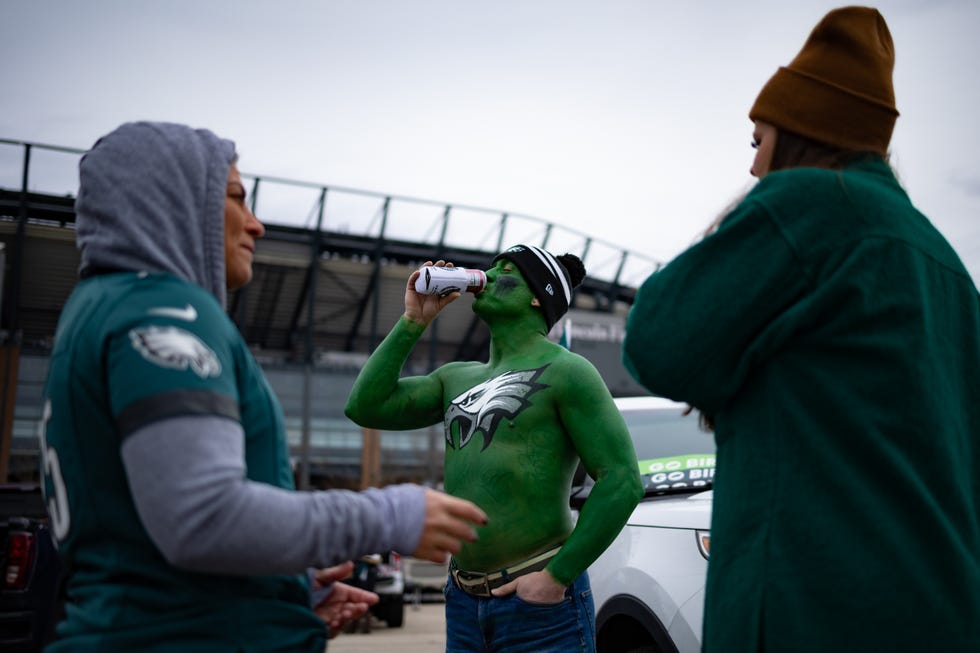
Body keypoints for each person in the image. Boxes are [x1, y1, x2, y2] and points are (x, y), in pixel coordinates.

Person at [37, 121, 488, 652]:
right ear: (173, 202)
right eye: (234, 198)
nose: (256, 226)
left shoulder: (97, 307)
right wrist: (389, 515)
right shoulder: (162, 307)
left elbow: (149, 538)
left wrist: (279, 590)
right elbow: (202, 518)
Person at [622, 7, 980, 651]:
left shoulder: (812, 204)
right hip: (941, 606)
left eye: (759, 142)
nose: (755, 167)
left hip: (816, 605)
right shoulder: (943, 262)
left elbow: (657, 339)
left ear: (800, 137)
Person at [344, 245, 643, 652]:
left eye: (506, 271)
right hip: (463, 599)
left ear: (539, 295)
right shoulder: (455, 376)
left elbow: (622, 480)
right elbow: (365, 406)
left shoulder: (569, 371)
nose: (487, 275)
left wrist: (556, 576)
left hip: (540, 606)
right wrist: (414, 321)